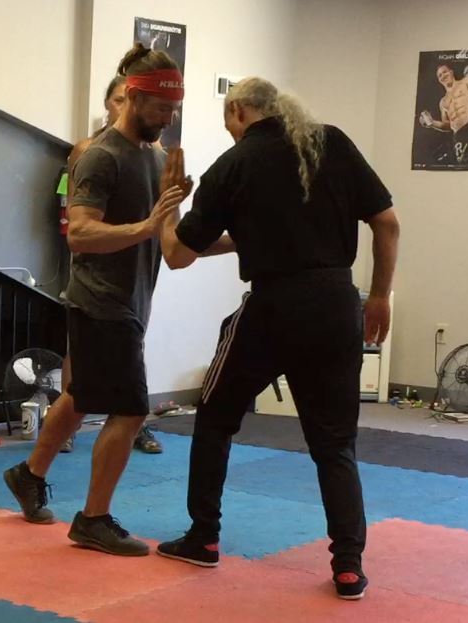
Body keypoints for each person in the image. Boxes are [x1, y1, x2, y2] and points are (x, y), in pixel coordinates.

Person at [156, 77, 400, 600]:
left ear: (238, 111)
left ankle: (203, 538)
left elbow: (176, 254)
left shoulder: (235, 163)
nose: (229, 130)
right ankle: (349, 567)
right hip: (336, 304)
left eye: (228, 120)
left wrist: (170, 200)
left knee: (215, 416)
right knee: (335, 443)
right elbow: (387, 223)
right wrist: (380, 295)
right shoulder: (330, 142)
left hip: (273, 308)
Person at [2, 43, 188, 556]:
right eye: (161, 108)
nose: (168, 119)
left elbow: (172, 245)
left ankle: (28, 474)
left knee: (80, 397)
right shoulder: (100, 156)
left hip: (130, 301)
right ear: (133, 97)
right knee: (130, 411)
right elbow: (81, 234)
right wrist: (147, 225)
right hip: (102, 303)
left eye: (174, 110)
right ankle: (93, 519)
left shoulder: (156, 158)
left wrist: (237, 240)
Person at [59, 75, 163, 455]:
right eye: (117, 100)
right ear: (109, 104)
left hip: (137, 272)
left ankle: (31, 471)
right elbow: (78, 220)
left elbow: (165, 223)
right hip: (96, 276)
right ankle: (74, 429)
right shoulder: (90, 152)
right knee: (84, 364)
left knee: (128, 351)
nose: (123, 106)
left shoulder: (155, 154)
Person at [418, 63, 468, 169]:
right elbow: (447, 125)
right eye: (440, 75)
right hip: (459, 136)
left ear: (451, 72)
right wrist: (432, 123)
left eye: (444, 72)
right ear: (439, 80)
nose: (443, 76)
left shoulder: (466, 81)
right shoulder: (443, 102)